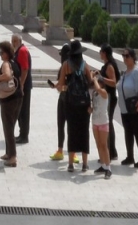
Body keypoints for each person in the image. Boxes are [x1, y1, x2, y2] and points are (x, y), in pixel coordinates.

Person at [56, 39, 98, 172]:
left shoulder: (66, 65)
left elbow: (60, 85)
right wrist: (92, 76)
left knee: (72, 130)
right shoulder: (85, 65)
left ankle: (70, 164)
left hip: (70, 102)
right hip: (84, 103)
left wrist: (61, 86)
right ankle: (85, 164)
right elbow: (90, 83)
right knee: (84, 131)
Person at [117, 47, 138, 169]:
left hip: (136, 107)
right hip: (125, 108)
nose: (125, 58)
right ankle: (130, 156)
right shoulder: (125, 73)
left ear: (133, 57)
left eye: (127, 56)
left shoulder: (137, 71)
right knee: (128, 132)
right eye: (123, 56)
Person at [0, 40, 23, 167]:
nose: (0, 55)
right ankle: (8, 152)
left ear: (6, 53)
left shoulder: (6, 64)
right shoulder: (14, 63)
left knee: (8, 127)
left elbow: (6, 75)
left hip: (8, 99)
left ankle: (13, 157)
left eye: (1, 52)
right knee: (10, 126)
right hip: (18, 97)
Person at [91, 50, 114, 178]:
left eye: (98, 82)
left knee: (104, 145)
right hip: (95, 121)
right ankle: (103, 165)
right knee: (98, 144)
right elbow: (94, 105)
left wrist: (95, 78)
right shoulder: (94, 93)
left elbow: (99, 89)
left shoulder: (104, 92)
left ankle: (108, 167)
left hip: (103, 122)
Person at [48, 43, 71, 162]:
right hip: (70, 99)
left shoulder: (65, 67)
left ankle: (62, 150)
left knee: (62, 125)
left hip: (65, 99)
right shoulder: (75, 66)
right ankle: (71, 152)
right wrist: (56, 85)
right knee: (69, 126)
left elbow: (63, 86)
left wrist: (58, 87)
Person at [99, 45, 121, 161]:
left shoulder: (110, 66)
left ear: (104, 53)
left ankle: (110, 152)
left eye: (101, 51)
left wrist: (101, 78)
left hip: (110, 97)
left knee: (108, 123)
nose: (99, 53)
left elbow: (113, 82)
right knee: (107, 123)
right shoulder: (107, 65)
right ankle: (110, 151)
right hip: (106, 97)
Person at [11, 34, 33, 144]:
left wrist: (22, 85)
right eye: (12, 41)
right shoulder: (18, 51)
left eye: (15, 41)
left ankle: (24, 136)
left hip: (24, 86)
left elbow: (25, 69)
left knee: (23, 111)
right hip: (20, 85)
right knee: (20, 111)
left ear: (20, 41)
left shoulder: (22, 51)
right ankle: (22, 134)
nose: (13, 43)